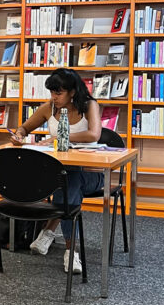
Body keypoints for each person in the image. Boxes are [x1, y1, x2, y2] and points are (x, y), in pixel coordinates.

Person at [9, 67, 103, 274]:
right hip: (61, 176)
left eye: (58, 93)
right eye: (52, 92)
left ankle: (52, 235)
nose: (54, 97)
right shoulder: (49, 108)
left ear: (72, 91)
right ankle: (70, 251)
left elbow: (94, 134)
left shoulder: (89, 106)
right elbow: (24, 128)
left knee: (71, 181)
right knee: (68, 183)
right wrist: (18, 135)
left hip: (93, 174)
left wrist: (60, 138)